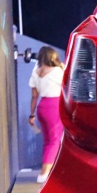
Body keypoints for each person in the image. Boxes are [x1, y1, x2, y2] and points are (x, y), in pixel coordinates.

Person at [28, 47, 65, 183]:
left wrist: (32, 115)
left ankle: (48, 172)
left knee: (48, 141)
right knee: (55, 140)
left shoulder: (36, 73)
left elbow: (34, 97)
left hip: (42, 107)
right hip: (54, 106)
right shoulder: (59, 70)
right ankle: (44, 174)